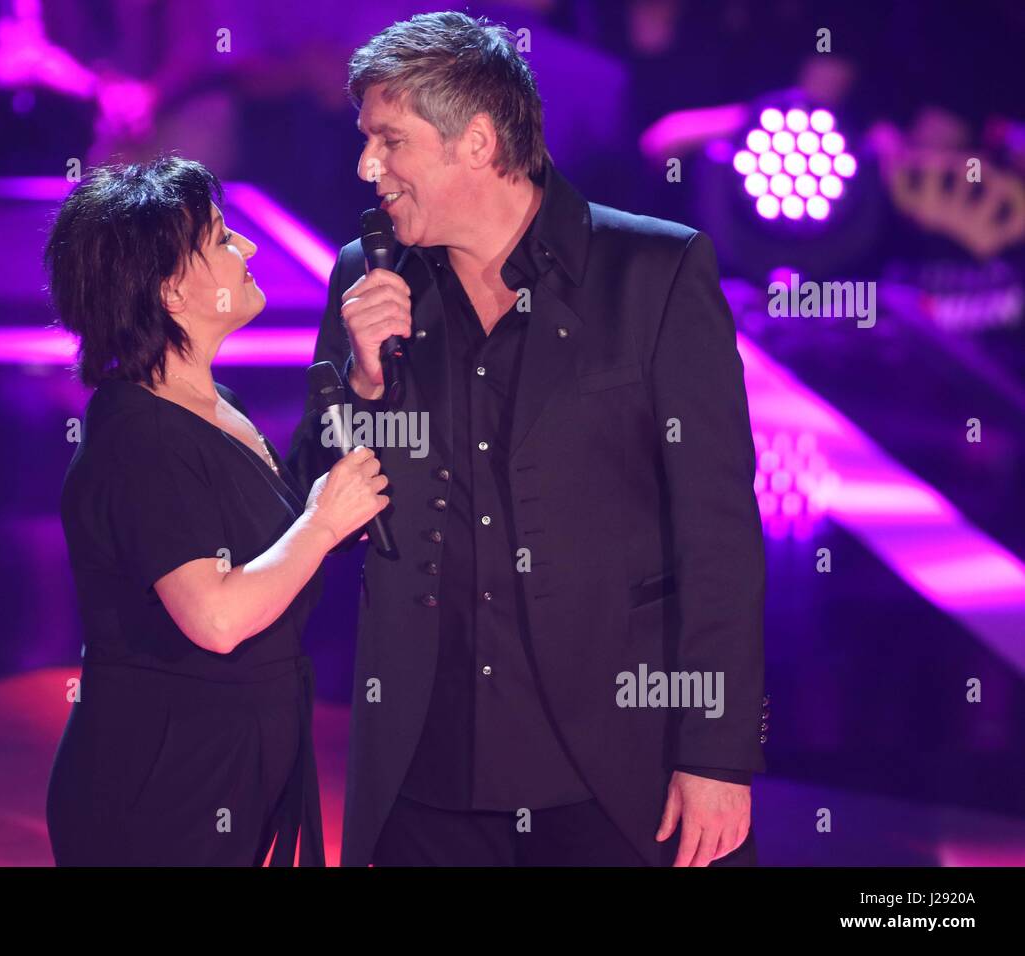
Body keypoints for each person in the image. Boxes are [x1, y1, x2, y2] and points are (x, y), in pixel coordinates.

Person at [285, 12, 767, 867]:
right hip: (425, 776)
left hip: (616, 773)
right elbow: (314, 508)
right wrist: (360, 384)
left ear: (474, 141)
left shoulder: (653, 273)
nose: (368, 168)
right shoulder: (368, 279)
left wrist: (716, 755)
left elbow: (718, 535)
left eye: (389, 141)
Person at [44, 157, 388, 866]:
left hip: (226, 767)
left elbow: (274, 521)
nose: (249, 248)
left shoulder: (208, 404)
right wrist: (322, 525)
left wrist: (362, 379)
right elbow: (217, 617)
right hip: (163, 786)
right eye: (223, 238)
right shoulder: (142, 439)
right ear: (171, 289)